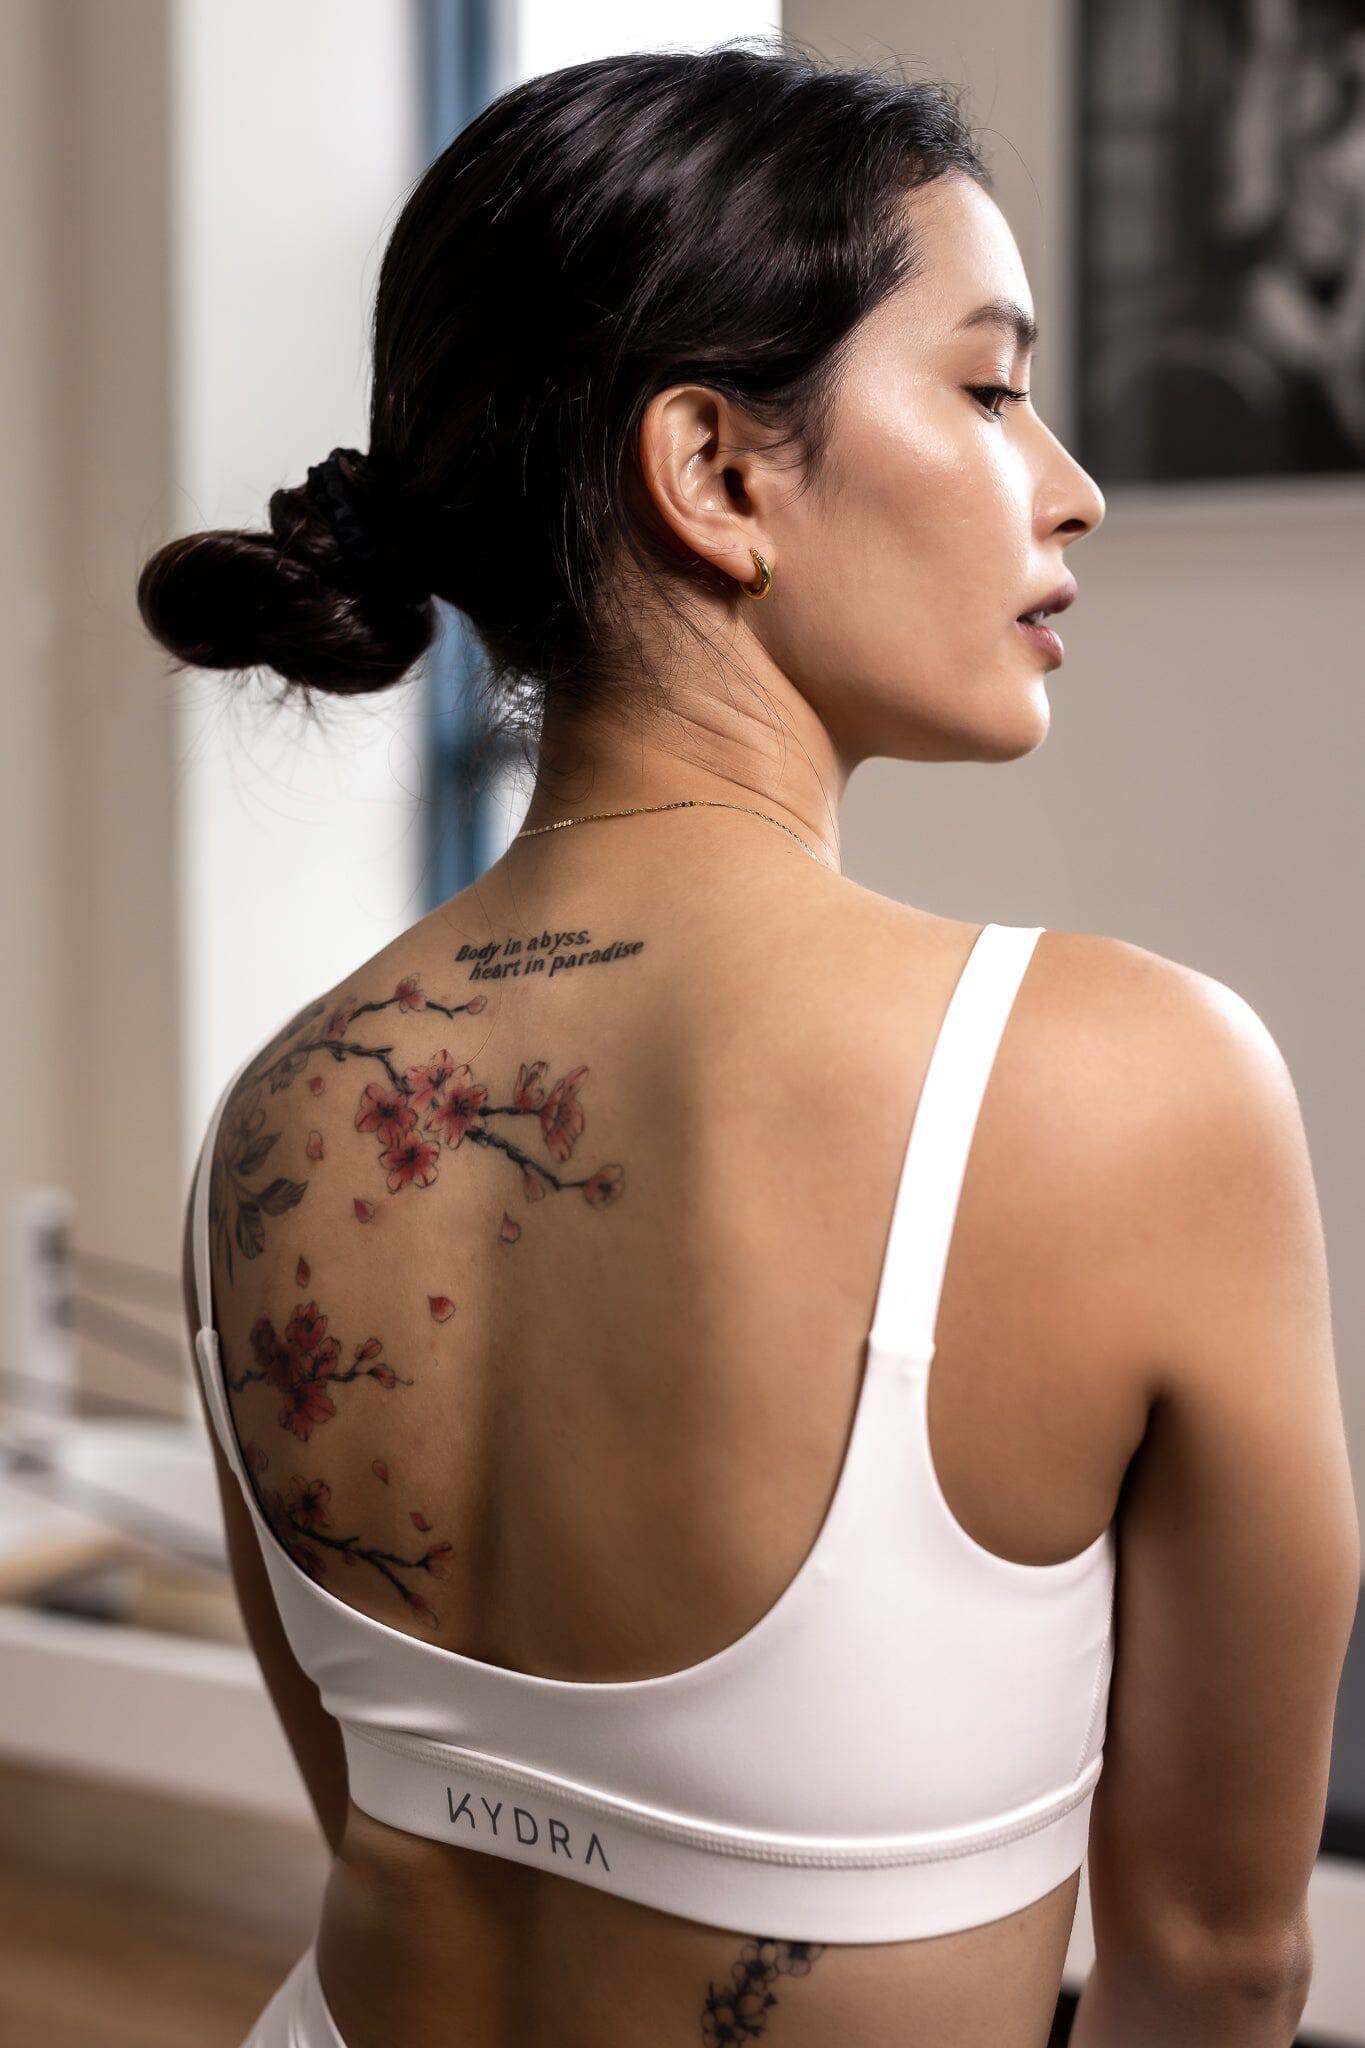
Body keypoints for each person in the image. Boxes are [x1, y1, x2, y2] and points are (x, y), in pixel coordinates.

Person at [138, 39, 1359, 2048]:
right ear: (713, 471)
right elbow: (1220, 1959)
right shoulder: (1126, 1084)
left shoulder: (279, 1118)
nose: (1068, 484)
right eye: (987, 390)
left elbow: (389, 1824)